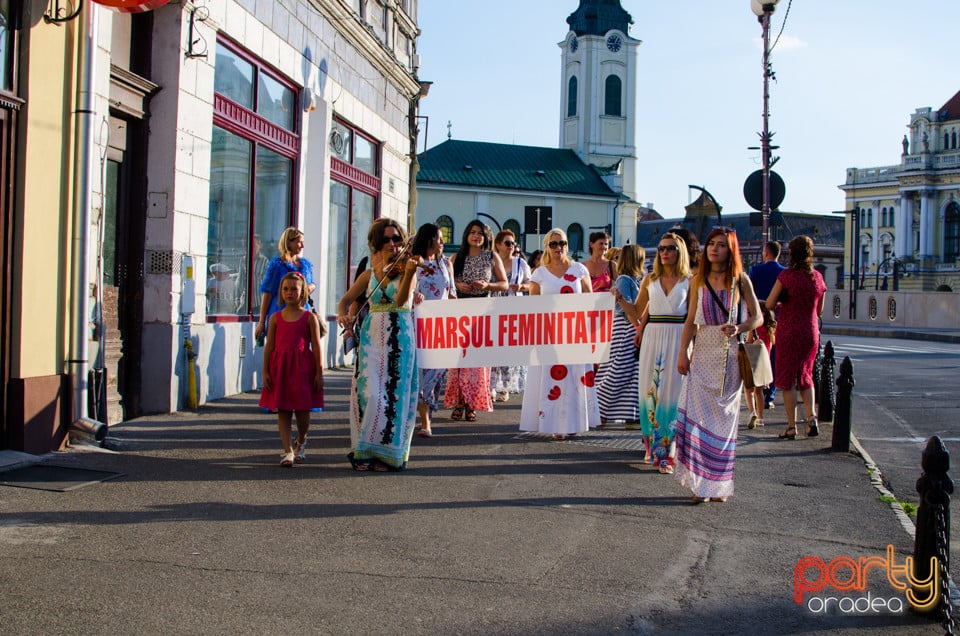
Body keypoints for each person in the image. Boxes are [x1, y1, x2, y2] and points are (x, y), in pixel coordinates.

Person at [675, 228, 762, 502]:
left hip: (728, 360)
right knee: (698, 423)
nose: (714, 249)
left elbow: (757, 317)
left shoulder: (741, 280)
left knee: (724, 424)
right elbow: (690, 320)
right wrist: (682, 353)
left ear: (731, 249)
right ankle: (699, 485)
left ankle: (719, 485)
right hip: (702, 355)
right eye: (711, 243)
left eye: (721, 245)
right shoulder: (697, 281)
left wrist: (740, 327)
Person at [337, 218, 420, 471]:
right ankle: (365, 451)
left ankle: (388, 456)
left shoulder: (408, 268)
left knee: (393, 397)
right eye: (386, 239)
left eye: (397, 238)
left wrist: (409, 273)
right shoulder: (368, 274)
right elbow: (346, 300)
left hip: (399, 336)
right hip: (372, 336)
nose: (393, 244)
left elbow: (402, 299)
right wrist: (344, 315)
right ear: (376, 243)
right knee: (369, 394)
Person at [520, 228, 600, 438]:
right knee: (552, 380)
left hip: (575, 333)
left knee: (573, 377)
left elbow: (590, 300)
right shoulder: (539, 274)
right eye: (554, 244)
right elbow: (533, 306)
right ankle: (554, 424)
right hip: (550, 335)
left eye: (562, 243)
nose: (559, 248)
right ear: (547, 246)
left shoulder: (579, 270)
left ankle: (574, 422)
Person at [628, 233, 691, 473]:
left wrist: (688, 347)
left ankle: (666, 454)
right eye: (662, 248)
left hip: (677, 337)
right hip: (652, 338)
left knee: (673, 395)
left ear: (679, 252)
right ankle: (650, 445)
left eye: (671, 248)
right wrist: (620, 299)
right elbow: (638, 311)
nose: (665, 252)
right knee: (649, 392)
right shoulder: (649, 280)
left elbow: (692, 317)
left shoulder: (689, 281)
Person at [444, 220, 508, 422]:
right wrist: (457, 285)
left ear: (486, 237)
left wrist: (487, 284)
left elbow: (505, 284)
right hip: (460, 311)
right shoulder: (457, 257)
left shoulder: (491, 256)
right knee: (460, 361)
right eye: (472, 232)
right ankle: (459, 401)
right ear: (466, 235)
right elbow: (445, 281)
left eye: (480, 233)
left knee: (477, 362)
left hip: (482, 310)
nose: (476, 236)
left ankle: (472, 403)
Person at [258, 272, 324, 467]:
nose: (289, 292)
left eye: (294, 289)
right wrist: (265, 371)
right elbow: (269, 347)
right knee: (284, 410)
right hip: (281, 369)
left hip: (303, 369)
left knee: (303, 411)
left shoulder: (309, 317)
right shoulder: (276, 318)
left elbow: (316, 345)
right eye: (285, 289)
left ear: (302, 291)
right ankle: (287, 451)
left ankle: (301, 441)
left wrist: (319, 372)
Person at [765, 235, 827, 441]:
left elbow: (770, 304)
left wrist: (784, 305)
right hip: (810, 331)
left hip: (789, 330)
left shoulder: (787, 277)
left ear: (791, 253)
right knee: (806, 376)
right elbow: (819, 310)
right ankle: (812, 418)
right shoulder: (818, 277)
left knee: (788, 381)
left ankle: (791, 427)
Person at [411, 223, 456, 438]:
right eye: (439, 238)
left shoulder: (446, 263)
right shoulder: (413, 264)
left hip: (441, 326)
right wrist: (413, 298)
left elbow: (452, 293)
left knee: (436, 372)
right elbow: (404, 291)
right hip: (417, 323)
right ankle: (424, 421)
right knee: (420, 371)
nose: (442, 242)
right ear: (429, 239)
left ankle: (423, 413)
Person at [597, 244, 645, 429]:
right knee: (618, 370)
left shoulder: (631, 279)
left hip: (630, 327)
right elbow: (628, 308)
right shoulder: (625, 279)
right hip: (626, 328)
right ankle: (599, 408)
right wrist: (638, 325)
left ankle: (629, 413)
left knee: (632, 373)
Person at [490, 229, 532, 403]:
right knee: (492, 349)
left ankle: (504, 387)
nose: (511, 246)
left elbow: (531, 284)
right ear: (498, 244)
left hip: (513, 309)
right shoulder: (491, 261)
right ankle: (491, 385)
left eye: (513, 243)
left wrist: (521, 287)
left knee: (507, 350)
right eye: (507, 243)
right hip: (493, 308)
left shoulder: (520, 263)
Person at [255, 227, 316, 344]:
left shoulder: (305, 264)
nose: (302, 246)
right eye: (299, 242)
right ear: (288, 242)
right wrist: (262, 322)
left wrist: (310, 287)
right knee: (281, 344)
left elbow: (311, 283)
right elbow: (267, 292)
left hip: (302, 310)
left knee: (301, 344)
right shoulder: (277, 265)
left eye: (303, 242)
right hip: (280, 309)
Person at [748, 241, 786, 409]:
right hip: (778, 319)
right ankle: (770, 394)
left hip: (759, 317)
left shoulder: (755, 271)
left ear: (766, 253)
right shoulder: (784, 272)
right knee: (775, 357)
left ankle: (758, 390)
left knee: (757, 356)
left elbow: (749, 294)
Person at [744, 304, 777, 430]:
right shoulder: (771, 328)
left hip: (752, 361)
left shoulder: (755, 327)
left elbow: (749, 341)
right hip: (764, 363)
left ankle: (753, 413)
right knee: (759, 391)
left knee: (748, 390)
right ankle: (761, 418)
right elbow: (774, 342)